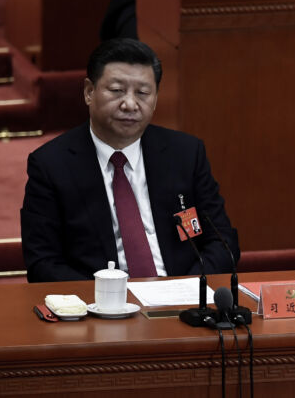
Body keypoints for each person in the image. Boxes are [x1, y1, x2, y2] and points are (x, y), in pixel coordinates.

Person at [21, 38, 238, 282]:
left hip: (181, 300)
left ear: (155, 99)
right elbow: (42, 262)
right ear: (89, 92)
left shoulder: (185, 154)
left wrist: (187, 291)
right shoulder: (52, 165)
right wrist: (106, 299)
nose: (130, 104)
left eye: (143, 93)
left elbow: (222, 242)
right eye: (116, 91)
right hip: (99, 306)